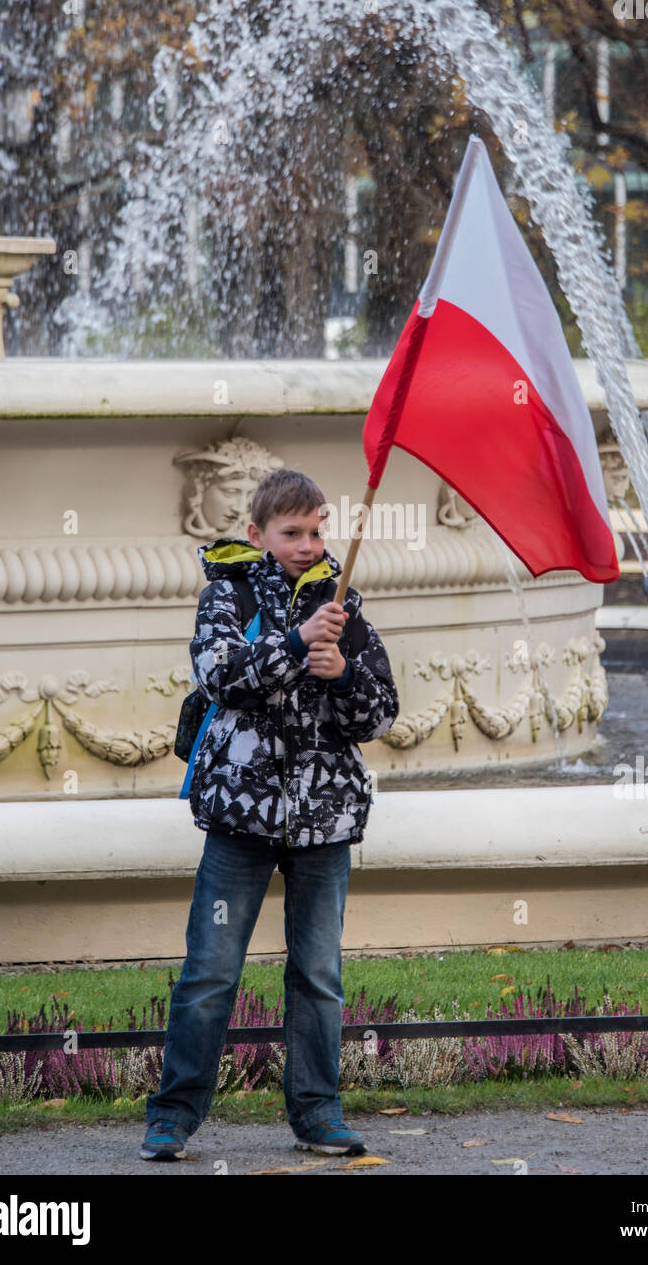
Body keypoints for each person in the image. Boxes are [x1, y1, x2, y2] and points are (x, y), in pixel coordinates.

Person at [141, 468, 399, 1161]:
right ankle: (172, 1115)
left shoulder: (346, 607)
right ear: (258, 536)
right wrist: (292, 645)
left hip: (324, 826)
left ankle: (318, 1115)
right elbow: (219, 675)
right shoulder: (226, 596)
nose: (308, 545)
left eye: (317, 531)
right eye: (292, 533)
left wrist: (340, 671)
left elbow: (379, 715)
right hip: (240, 822)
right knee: (211, 971)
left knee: (318, 975)